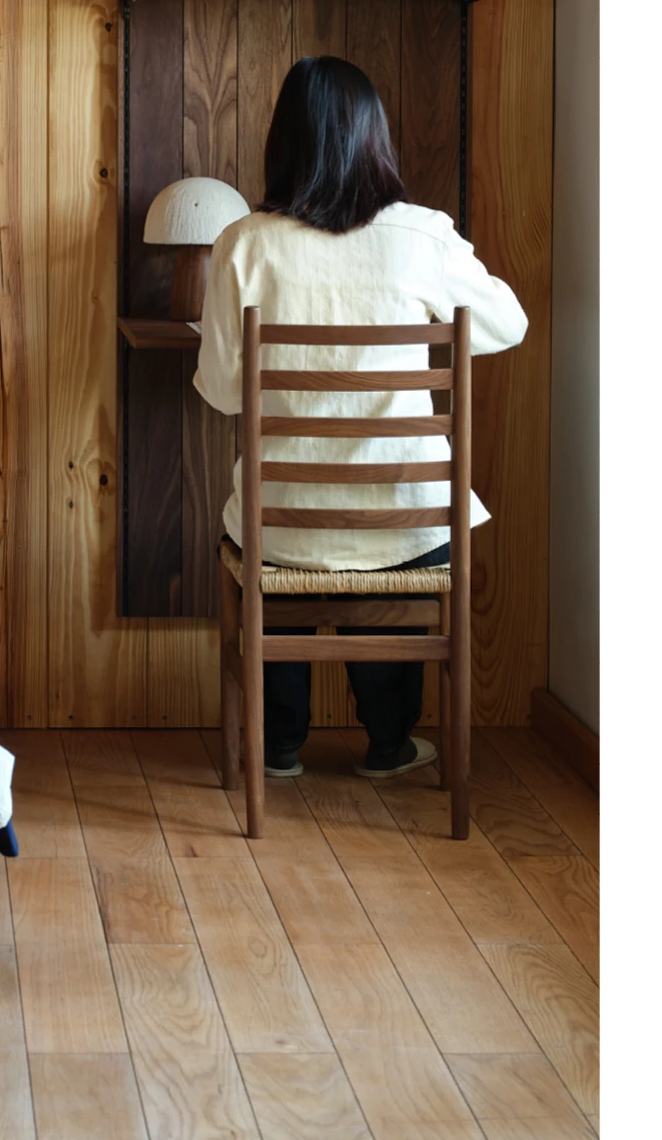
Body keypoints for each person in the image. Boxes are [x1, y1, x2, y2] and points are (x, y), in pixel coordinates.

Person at [196, 55, 527, 780]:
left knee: (262, 533)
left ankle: (278, 744)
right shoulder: (422, 236)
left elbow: (221, 391)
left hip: (281, 531)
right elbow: (509, 323)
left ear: (282, 142)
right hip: (407, 525)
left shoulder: (243, 243)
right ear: (374, 138)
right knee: (395, 538)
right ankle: (388, 742)